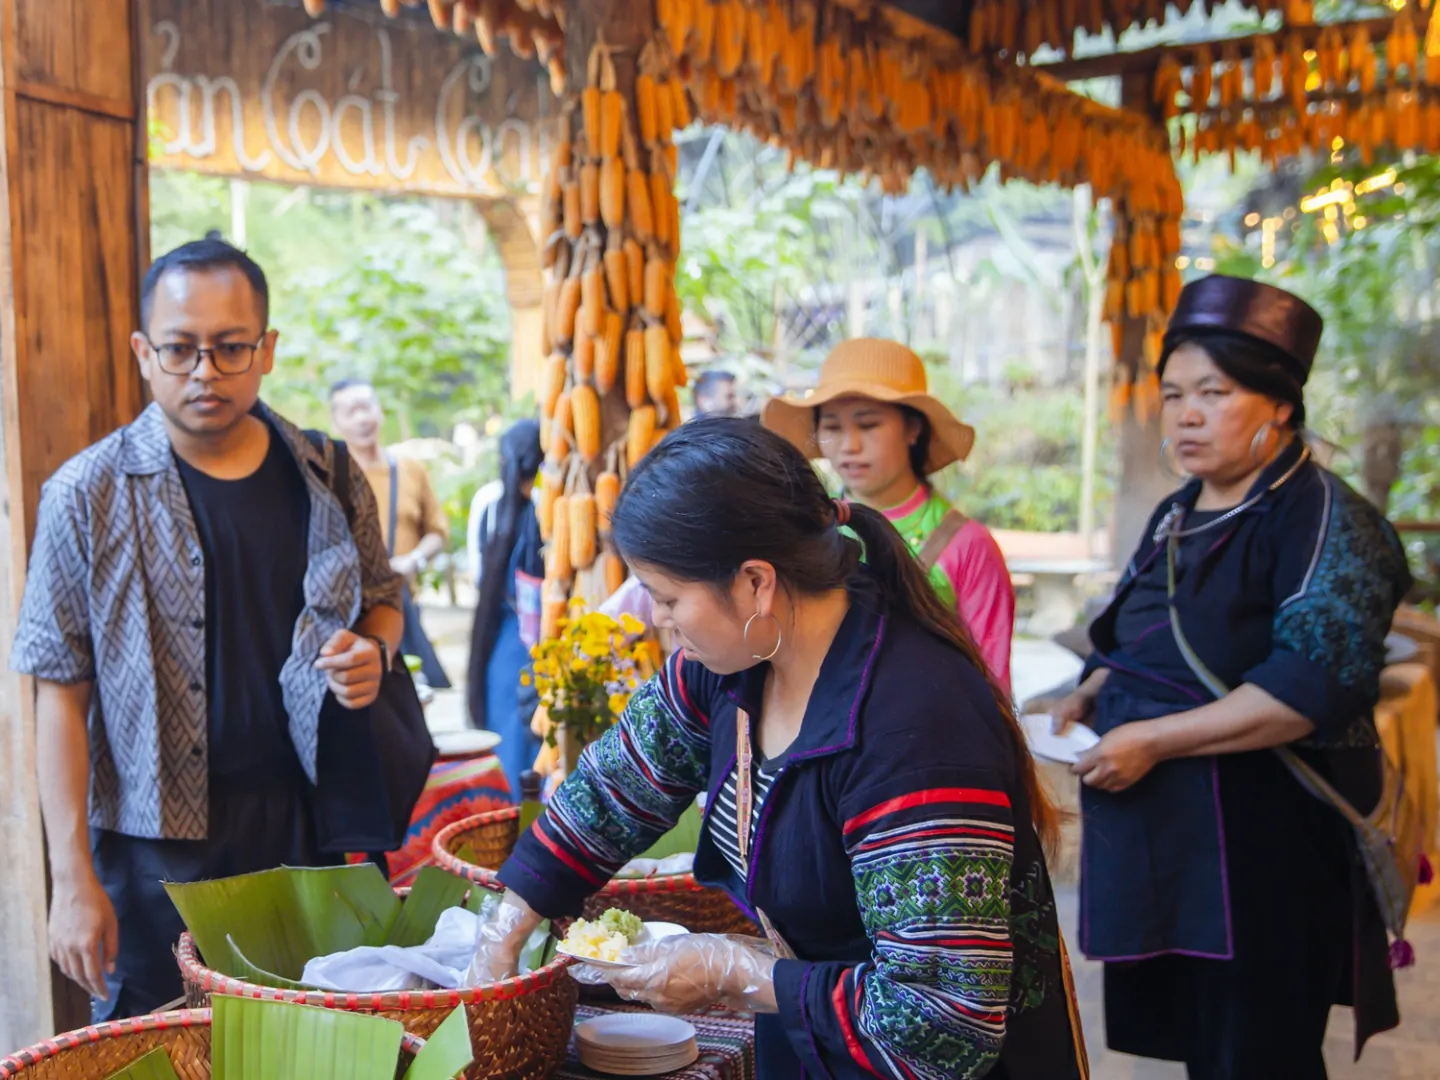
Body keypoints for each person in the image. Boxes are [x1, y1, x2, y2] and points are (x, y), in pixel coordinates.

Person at [467, 418, 1084, 1078]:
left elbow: (938, 1026)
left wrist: (741, 973)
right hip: (810, 1037)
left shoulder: (916, 725)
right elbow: (613, 789)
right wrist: (509, 922)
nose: (655, 620)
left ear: (755, 582)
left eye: (669, 598)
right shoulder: (732, 662)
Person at [12, 235, 403, 1020]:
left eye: (229, 350)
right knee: (160, 1052)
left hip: (306, 827)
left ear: (266, 349)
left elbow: (382, 598)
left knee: (314, 1052)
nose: (204, 373)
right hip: (152, 850)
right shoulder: (83, 494)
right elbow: (58, 692)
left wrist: (376, 649)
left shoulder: (325, 472)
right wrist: (71, 880)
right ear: (142, 351)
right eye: (181, 349)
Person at [1051, 275, 1410, 1077]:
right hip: (1165, 839)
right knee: (1202, 1047)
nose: (1185, 413)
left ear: (1279, 403)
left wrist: (1154, 740)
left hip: (1265, 846)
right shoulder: (1180, 509)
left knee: (1261, 1050)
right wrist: (1094, 691)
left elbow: (1308, 686)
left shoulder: (1329, 518)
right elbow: (1140, 633)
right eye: (1174, 393)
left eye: (1214, 392)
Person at [763, 338, 1015, 689]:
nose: (850, 446)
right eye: (833, 428)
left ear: (913, 428)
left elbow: (992, 686)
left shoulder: (967, 545)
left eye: (868, 425)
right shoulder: (802, 532)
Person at [328, 377, 451, 690]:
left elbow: (437, 531)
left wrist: (413, 560)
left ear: (380, 411)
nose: (362, 418)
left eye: (366, 407)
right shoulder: (329, 477)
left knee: (417, 690)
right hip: (354, 614)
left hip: (405, 602)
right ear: (337, 421)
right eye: (350, 411)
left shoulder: (410, 470)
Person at [463, 420, 545, 787]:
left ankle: (504, 824)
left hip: (501, 640)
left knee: (507, 742)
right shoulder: (547, 507)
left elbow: (479, 575)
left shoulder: (488, 504)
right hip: (540, 639)